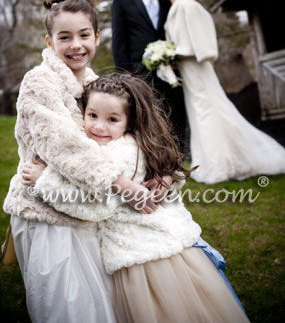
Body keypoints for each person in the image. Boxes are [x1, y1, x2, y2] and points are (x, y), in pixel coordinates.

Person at [24, 73, 250, 323]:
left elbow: (96, 207)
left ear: (129, 122)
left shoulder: (113, 155)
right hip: (171, 246)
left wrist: (44, 180)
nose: (99, 126)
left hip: (142, 260)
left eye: (112, 119)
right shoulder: (136, 144)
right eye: (92, 116)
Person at [3, 0, 158, 323]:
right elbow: (62, 144)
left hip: (86, 206)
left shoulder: (96, 83)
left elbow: (122, 134)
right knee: (69, 307)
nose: (76, 45)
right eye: (65, 37)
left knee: (100, 301)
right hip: (45, 210)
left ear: (97, 37)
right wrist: (120, 182)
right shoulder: (39, 82)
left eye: (84, 35)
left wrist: (150, 172)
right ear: (49, 41)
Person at [162, 0, 285, 183]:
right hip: (188, 71)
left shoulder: (188, 6)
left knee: (208, 112)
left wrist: (169, 54)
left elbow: (202, 44)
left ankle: (221, 165)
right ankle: (211, 162)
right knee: (201, 114)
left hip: (198, 70)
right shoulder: (177, 8)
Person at [112, 0, 186, 149]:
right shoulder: (123, 1)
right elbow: (119, 39)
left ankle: (179, 152)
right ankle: (152, 152)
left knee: (176, 109)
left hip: (169, 67)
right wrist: (124, 72)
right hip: (139, 70)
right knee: (147, 113)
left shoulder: (167, 0)